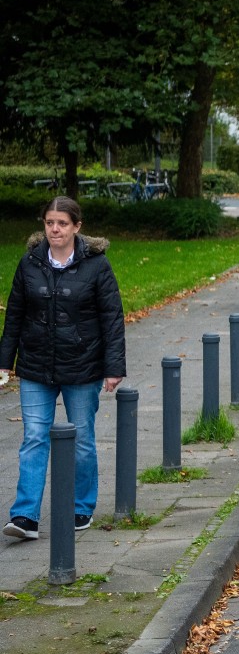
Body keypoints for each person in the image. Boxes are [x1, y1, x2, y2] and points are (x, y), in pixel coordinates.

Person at [2, 198, 125, 540]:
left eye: (62, 223)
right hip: (35, 366)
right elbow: (14, 315)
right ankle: (25, 516)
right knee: (34, 438)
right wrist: (4, 362)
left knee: (82, 440)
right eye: (49, 223)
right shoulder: (29, 263)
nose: (54, 229)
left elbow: (112, 319)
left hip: (82, 368)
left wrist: (114, 367)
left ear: (76, 227)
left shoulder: (97, 265)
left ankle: (81, 506)